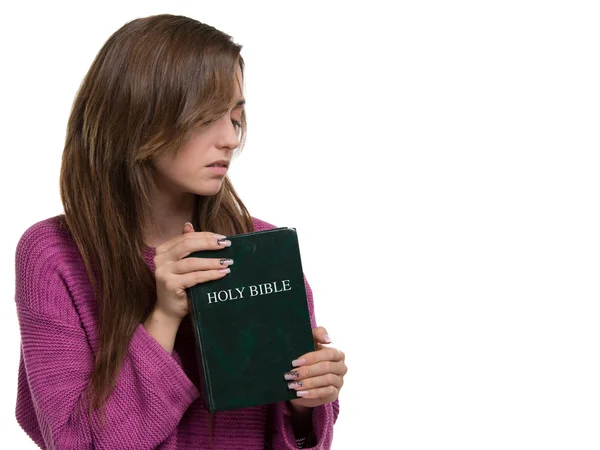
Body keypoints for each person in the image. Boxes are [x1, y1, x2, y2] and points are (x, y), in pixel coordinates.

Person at [13, 13, 346, 450]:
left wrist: (307, 402)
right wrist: (164, 316)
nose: (229, 138)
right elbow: (76, 443)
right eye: (208, 116)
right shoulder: (53, 254)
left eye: (235, 117)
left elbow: (297, 438)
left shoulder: (260, 250)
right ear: (140, 115)